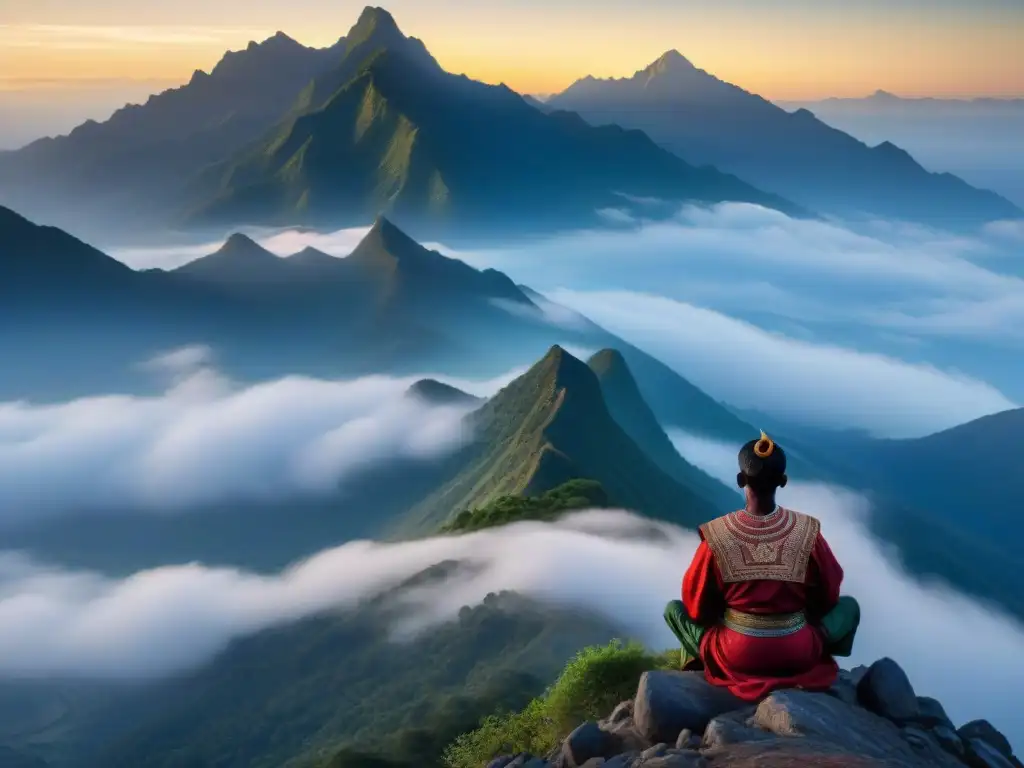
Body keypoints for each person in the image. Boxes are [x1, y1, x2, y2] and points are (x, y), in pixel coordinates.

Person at [663, 431, 860, 702]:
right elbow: (829, 593)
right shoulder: (808, 532)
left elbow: (696, 604)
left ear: (740, 480)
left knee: (674, 610)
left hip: (737, 653)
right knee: (849, 607)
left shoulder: (717, 536)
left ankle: (703, 668)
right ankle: (817, 661)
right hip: (797, 651)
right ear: (783, 481)